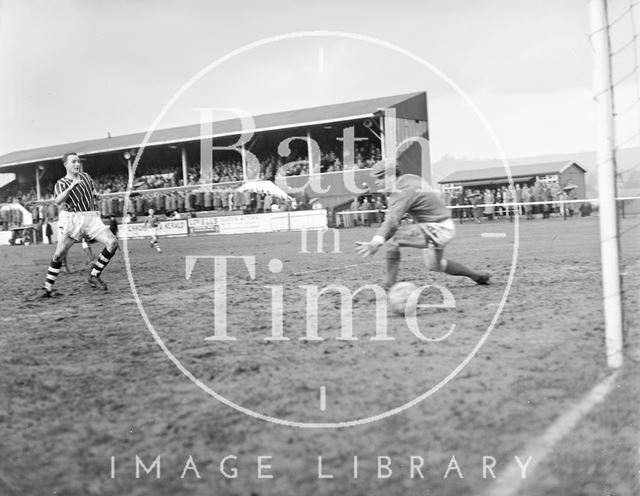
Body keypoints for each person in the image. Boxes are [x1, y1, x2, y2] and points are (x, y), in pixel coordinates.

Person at [355, 161, 490, 289]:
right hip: (443, 225)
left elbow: (392, 222)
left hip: (437, 228)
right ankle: (477, 276)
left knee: (393, 241)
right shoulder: (410, 179)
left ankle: (388, 286)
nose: (377, 182)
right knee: (435, 265)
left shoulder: (400, 190)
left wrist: (375, 243)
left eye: (380, 178)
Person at [41, 152, 119, 296]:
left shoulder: (86, 176)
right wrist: (72, 186)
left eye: (78, 161)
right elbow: (58, 201)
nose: (77, 164)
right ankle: (48, 288)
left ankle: (94, 275)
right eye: (73, 162)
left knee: (112, 243)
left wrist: (96, 195)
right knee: (58, 255)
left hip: (91, 217)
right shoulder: (62, 183)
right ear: (66, 165)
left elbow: (93, 191)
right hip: (73, 219)